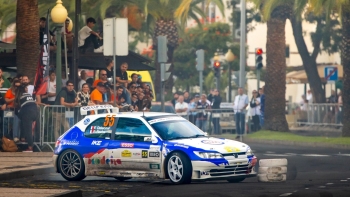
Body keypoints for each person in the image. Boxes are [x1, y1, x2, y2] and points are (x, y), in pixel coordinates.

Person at [14, 85, 38, 152]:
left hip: (27, 113)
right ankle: (23, 138)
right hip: (35, 112)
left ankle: (30, 147)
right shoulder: (29, 95)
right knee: (26, 126)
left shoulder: (20, 97)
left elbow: (17, 106)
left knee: (28, 130)